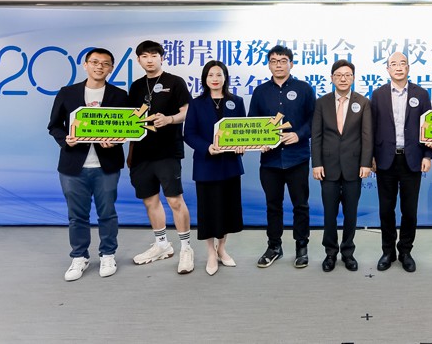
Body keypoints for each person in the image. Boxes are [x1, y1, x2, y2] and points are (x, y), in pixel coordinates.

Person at [47, 48, 128, 281]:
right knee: (77, 216)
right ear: (85, 65)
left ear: (111, 68)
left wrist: (116, 140)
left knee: (107, 213)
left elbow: (128, 126)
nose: (99, 66)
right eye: (94, 62)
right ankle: (79, 256)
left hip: (107, 165)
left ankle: (108, 254)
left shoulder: (120, 95)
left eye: (105, 63)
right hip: (73, 166)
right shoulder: (67, 93)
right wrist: (66, 140)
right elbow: (54, 126)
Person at [127, 40, 194, 274]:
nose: (150, 60)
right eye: (144, 56)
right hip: (141, 153)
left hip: (167, 151)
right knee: (150, 201)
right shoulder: (136, 86)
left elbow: (187, 111)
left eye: (154, 55)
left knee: (175, 200)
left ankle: (186, 248)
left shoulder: (175, 82)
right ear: (139, 60)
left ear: (162, 58)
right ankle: (162, 244)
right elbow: (129, 119)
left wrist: (169, 119)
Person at [248, 45, 315, 268]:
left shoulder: (304, 89)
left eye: (283, 60)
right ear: (269, 65)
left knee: (300, 205)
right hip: (270, 161)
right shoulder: (260, 92)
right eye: (274, 61)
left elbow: (314, 119)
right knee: (273, 206)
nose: (278, 65)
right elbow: (252, 122)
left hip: (297, 158)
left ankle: (301, 247)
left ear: (291, 64)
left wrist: (299, 134)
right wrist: (259, 141)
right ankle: (274, 246)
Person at [371, 51, 432, 273]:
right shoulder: (378, 94)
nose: (398, 67)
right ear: (387, 69)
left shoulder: (421, 94)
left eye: (402, 63)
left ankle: (405, 251)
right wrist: (370, 157)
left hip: (412, 159)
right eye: (394, 64)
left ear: (408, 68)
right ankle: (388, 251)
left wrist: (427, 155)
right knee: (386, 210)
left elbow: (429, 127)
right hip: (385, 160)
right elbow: (371, 128)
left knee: (410, 210)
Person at [183, 61, 246, 276]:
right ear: (205, 78)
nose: (215, 79)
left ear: (225, 77)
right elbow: (189, 134)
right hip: (206, 165)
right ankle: (211, 252)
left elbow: (243, 131)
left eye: (219, 74)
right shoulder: (196, 103)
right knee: (209, 210)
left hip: (230, 165)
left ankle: (222, 248)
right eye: (211, 75)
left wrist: (242, 145)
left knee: (228, 210)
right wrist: (207, 147)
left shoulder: (236, 101)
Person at [311, 59, 373, 272]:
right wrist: (316, 163)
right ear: (332, 78)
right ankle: (330, 253)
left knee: (351, 213)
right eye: (338, 75)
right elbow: (316, 136)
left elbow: (367, 136)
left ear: (353, 78)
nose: (343, 79)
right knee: (329, 214)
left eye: (347, 75)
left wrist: (366, 163)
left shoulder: (363, 102)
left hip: (353, 167)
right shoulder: (322, 102)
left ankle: (348, 252)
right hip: (327, 167)